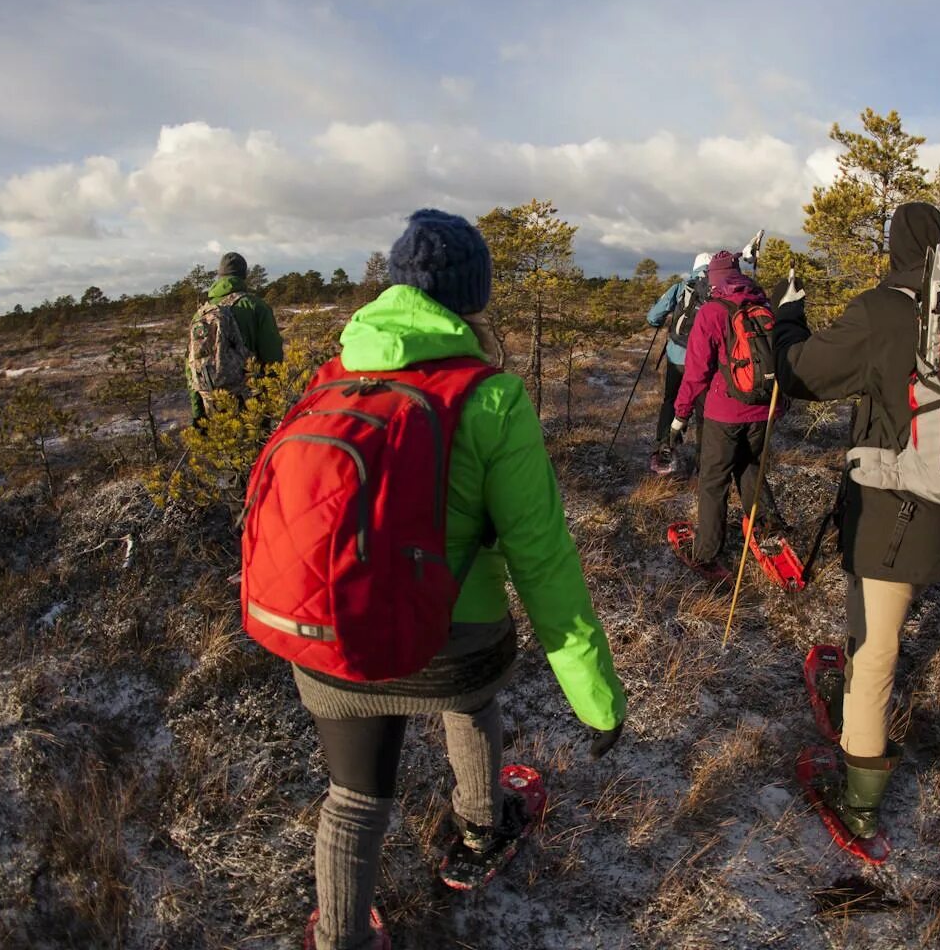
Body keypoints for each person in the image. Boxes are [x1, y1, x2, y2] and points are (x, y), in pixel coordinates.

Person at [288, 210, 627, 950]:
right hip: (452, 646)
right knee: (470, 705)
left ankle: (339, 938)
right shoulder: (493, 397)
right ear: (475, 299)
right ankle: (478, 831)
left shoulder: (330, 376)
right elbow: (543, 562)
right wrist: (597, 701)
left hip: (330, 633)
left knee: (352, 800)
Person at [771, 202, 940, 854]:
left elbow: (800, 372)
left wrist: (788, 315)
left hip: (896, 511)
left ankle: (860, 799)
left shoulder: (884, 310)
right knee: (879, 625)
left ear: (896, 247)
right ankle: (855, 693)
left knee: (876, 654)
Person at [668, 250, 781, 579]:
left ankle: (706, 554)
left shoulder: (713, 311)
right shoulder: (763, 304)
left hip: (724, 413)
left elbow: (696, 374)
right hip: (762, 409)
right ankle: (766, 528)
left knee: (714, 483)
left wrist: (680, 417)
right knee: (751, 469)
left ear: (712, 279)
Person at [186, 251, 284, 422]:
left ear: (220, 275)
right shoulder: (256, 307)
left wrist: (198, 413)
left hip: (211, 404)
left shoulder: (200, 314)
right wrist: (274, 400)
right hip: (250, 403)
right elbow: (273, 357)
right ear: (243, 275)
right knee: (256, 447)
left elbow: (191, 365)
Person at [644, 253, 711, 470]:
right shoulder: (718, 291)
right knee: (703, 409)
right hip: (705, 361)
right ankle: (704, 461)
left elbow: (653, 317)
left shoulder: (682, 286)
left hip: (677, 357)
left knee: (671, 400)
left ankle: (665, 446)